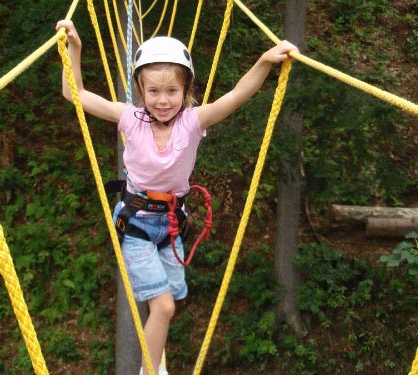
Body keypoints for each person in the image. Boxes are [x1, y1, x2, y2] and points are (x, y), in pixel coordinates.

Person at [55, 20, 299, 375]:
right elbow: (72, 92)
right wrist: (74, 48)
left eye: (172, 91)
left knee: (168, 302)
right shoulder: (129, 119)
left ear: (186, 90)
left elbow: (236, 96)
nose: (163, 100)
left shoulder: (193, 122)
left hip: (171, 225)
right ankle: (149, 371)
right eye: (153, 91)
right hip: (135, 223)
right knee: (165, 306)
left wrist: (264, 61)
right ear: (140, 89)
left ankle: (155, 362)